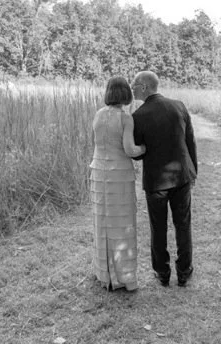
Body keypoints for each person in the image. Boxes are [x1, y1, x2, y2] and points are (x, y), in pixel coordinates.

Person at [130, 70, 197, 287]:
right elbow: (190, 141)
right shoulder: (179, 105)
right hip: (181, 176)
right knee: (183, 224)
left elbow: (138, 153)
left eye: (134, 85)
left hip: (156, 180)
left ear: (145, 87)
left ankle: (162, 273)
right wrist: (193, 171)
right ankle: (185, 272)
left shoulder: (138, 117)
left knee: (157, 227)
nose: (131, 88)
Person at [89, 76, 146, 291]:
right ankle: (122, 276)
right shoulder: (125, 118)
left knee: (102, 220)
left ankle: (104, 273)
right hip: (119, 174)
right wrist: (145, 149)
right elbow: (130, 150)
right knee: (121, 223)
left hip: (98, 172)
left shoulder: (98, 114)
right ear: (126, 94)